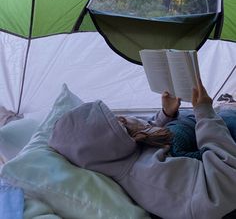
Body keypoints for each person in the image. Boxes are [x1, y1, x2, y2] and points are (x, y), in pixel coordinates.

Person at [48, 80, 236, 219]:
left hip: (187, 138)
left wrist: (165, 114)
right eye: (118, 122)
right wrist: (205, 113)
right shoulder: (150, 178)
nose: (122, 119)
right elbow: (225, 184)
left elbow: (144, 134)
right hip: (222, 164)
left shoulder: (117, 154)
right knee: (226, 117)